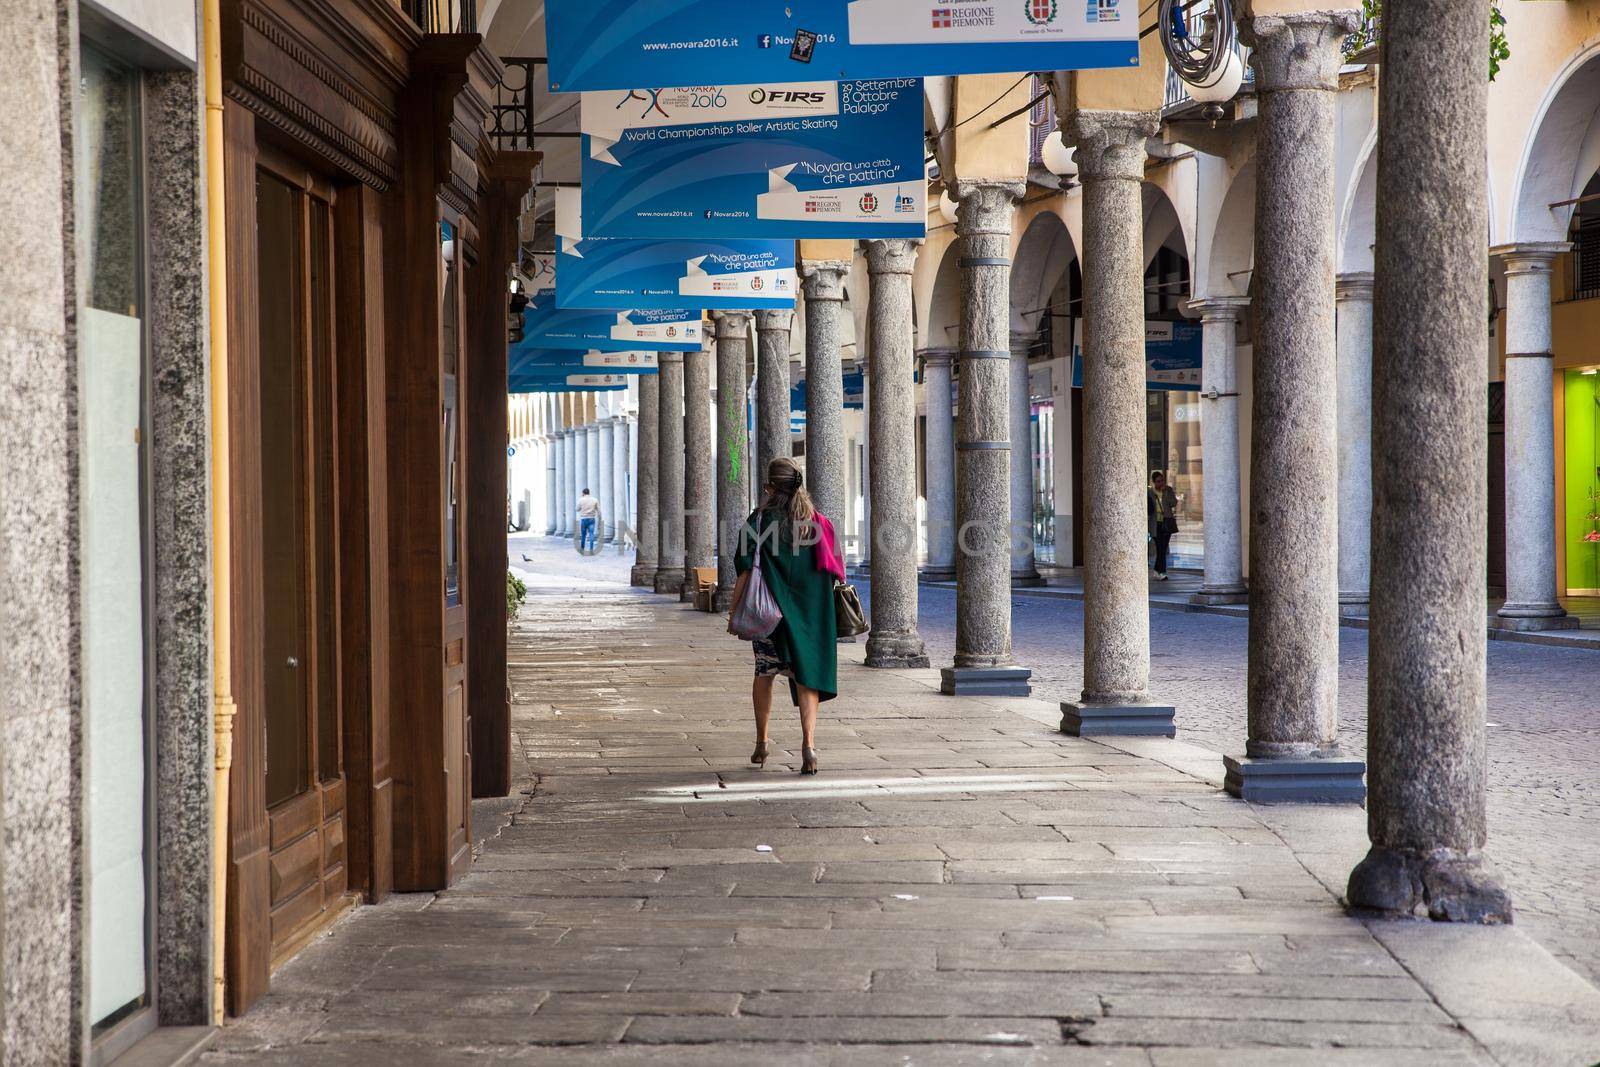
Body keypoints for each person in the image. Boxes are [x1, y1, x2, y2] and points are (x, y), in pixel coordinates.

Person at [731, 458, 843, 775]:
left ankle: (762, 742)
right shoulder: (818, 522)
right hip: (811, 616)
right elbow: (833, 569)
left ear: (770, 487)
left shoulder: (759, 521)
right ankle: (808, 746)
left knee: (764, 673)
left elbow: (743, 568)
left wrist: (733, 608)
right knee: (806, 677)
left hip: (769, 615)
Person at [1148, 471, 1179, 580]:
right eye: (1158, 481)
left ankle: (1158, 570)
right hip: (1155, 524)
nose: (1161, 483)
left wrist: (1165, 492)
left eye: (1162, 480)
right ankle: (1161, 572)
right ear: (1153, 482)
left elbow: (1173, 503)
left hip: (1167, 522)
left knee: (1163, 547)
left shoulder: (1168, 490)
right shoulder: (1150, 493)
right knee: (1160, 547)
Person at [575, 487, 600, 552]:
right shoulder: (595, 500)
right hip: (592, 519)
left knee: (583, 534)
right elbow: (598, 510)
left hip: (584, 518)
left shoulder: (581, 500)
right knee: (591, 534)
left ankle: (582, 548)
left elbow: (577, 509)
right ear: (589, 493)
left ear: (583, 493)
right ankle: (591, 549)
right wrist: (600, 518)